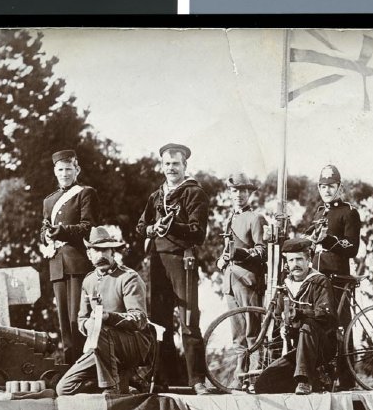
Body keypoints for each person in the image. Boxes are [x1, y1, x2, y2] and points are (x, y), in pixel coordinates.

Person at [137, 143, 210, 395]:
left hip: (182, 260)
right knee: (159, 323)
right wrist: (152, 228)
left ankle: (197, 380)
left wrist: (172, 227)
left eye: (175, 164)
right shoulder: (156, 195)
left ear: (185, 166)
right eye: (167, 164)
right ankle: (161, 379)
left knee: (189, 320)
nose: (171, 168)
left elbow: (198, 233)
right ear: (161, 166)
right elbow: (140, 226)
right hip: (157, 260)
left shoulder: (194, 193)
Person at [55, 226, 153, 396]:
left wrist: (108, 317)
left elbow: (139, 319)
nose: (101, 256)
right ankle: (124, 383)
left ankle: (111, 388)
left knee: (101, 328)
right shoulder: (88, 281)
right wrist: (88, 324)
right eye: (96, 251)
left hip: (132, 344)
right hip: (101, 346)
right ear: (89, 255)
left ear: (112, 252)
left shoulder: (128, 278)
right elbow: (81, 319)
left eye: (105, 250)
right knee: (64, 388)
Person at [253, 237, 337, 395]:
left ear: (308, 260)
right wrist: (285, 327)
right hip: (297, 349)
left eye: (299, 259)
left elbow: (326, 315)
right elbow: (278, 315)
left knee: (307, 325)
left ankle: (304, 381)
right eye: (291, 260)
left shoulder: (319, 281)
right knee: (263, 384)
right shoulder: (285, 286)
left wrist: (300, 313)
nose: (295, 264)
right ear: (287, 263)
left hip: (321, 345)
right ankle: (315, 378)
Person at [305, 164, 361, 389]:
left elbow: (352, 247)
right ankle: (324, 375)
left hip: (338, 279)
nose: (327, 190)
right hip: (318, 278)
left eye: (331, 186)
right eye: (323, 186)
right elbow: (310, 240)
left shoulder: (349, 212)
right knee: (321, 326)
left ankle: (347, 380)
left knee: (341, 328)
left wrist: (327, 240)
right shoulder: (319, 212)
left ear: (339, 187)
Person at [41, 149, 95, 364]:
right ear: (55, 172)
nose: (64, 173)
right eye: (60, 170)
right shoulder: (49, 200)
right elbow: (43, 227)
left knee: (78, 319)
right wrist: (45, 234)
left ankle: (85, 369)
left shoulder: (85, 193)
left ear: (77, 170)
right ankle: (70, 370)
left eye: (69, 169)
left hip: (77, 262)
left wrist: (61, 232)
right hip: (57, 265)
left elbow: (88, 226)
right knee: (64, 323)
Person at [217, 173, 268, 388]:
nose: (239, 195)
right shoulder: (230, 218)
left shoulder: (255, 218)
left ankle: (256, 376)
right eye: (235, 191)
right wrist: (222, 258)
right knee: (237, 333)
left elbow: (261, 250)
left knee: (252, 331)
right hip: (230, 282)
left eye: (243, 191)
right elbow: (228, 248)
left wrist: (239, 255)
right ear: (230, 193)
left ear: (250, 193)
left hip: (247, 281)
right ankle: (240, 375)